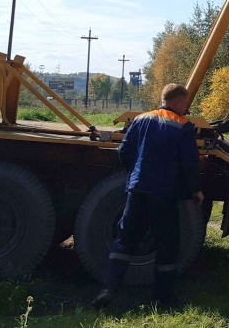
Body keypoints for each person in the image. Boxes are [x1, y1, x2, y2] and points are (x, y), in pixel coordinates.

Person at [92, 83, 203, 310]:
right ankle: (163, 297)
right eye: (185, 103)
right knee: (167, 243)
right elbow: (190, 164)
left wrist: (133, 175)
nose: (186, 108)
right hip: (164, 193)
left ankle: (108, 289)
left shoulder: (141, 119)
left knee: (125, 238)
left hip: (138, 189)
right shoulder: (183, 126)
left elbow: (123, 151)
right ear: (177, 102)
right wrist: (194, 189)